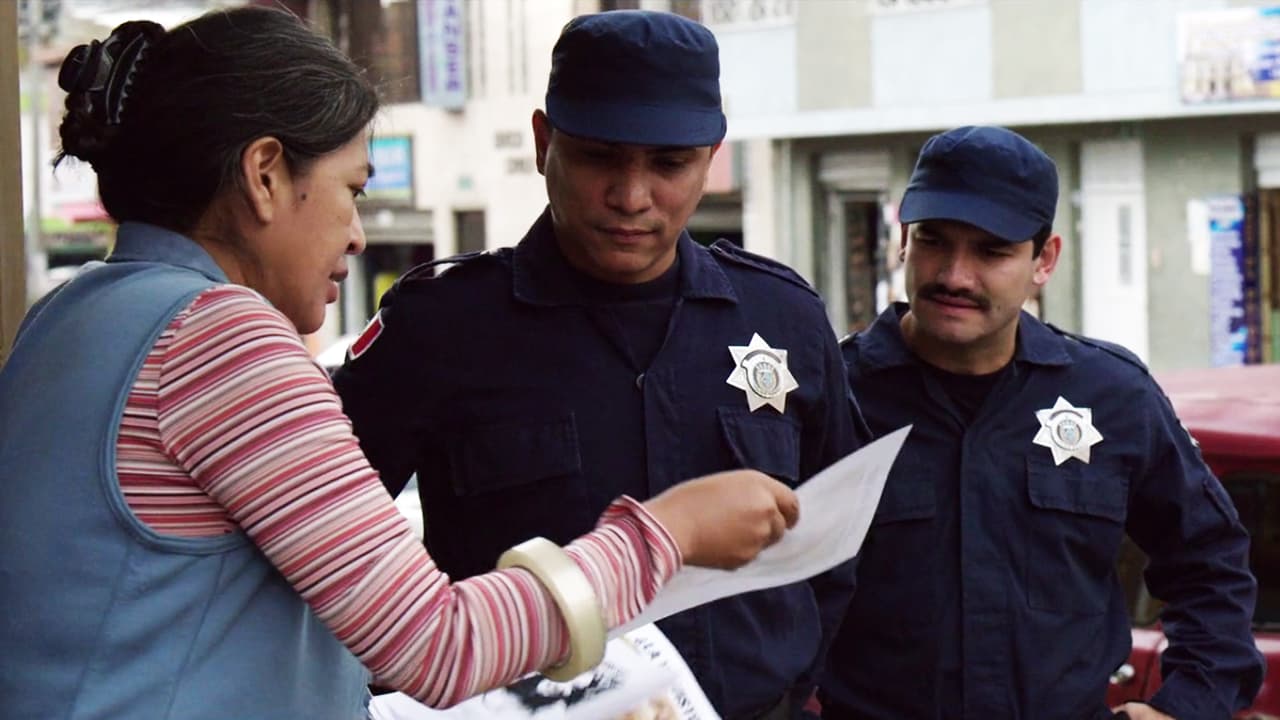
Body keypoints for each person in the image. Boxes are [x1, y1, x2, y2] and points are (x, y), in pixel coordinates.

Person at [0, 8, 804, 720]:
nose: (356, 234)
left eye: (668, 163)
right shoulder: (224, 342)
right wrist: (671, 529)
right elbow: (438, 647)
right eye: (352, 188)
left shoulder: (73, 313)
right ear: (265, 174)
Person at [332, 10, 863, 720]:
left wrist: (796, 683)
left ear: (711, 156)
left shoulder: (783, 317)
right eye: (601, 158)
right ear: (545, 142)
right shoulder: (440, 327)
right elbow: (328, 559)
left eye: (669, 165)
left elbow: (837, 539)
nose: (632, 197)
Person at [818, 126, 1264, 720]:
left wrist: (1183, 707)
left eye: (991, 251)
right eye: (933, 241)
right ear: (904, 240)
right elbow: (745, 598)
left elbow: (1212, 566)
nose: (955, 274)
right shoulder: (830, 396)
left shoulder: (1112, 396)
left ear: (1043, 260)